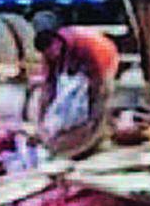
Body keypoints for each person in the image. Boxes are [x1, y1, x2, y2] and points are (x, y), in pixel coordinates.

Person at [33, 23, 120, 157]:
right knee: (67, 94)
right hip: (78, 58)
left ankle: (98, 136)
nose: (52, 56)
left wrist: (93, 121)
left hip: (105, 57)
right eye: (49, 55)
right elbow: (48, 86)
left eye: (53, 52)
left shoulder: (89, 48)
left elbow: (99, 85)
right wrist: (41, 122)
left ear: (57, 42)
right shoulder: (49, 53)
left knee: (100, 98)